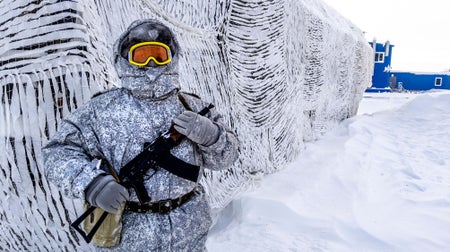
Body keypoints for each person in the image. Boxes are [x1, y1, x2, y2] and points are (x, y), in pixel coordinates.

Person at [43, 19, 239, 251]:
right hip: (129, 237)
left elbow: (226, 159)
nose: (151, 64)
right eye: (142, 55)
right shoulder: (100, 110)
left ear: (172, 57)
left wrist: (213, 136)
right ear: (125, 59)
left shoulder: (193, 106)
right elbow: (57, 153)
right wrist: (92, 184)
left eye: (159, 54)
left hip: (190, 231)